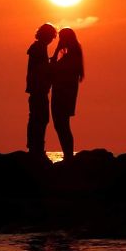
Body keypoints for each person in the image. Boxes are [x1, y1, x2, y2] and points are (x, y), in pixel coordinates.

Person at [50, 28, 84, 160]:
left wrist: (57, 50)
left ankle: (68, 156)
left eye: (61, 38)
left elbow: (54, 68)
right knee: (62, 125)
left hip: (62, 95)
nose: (60, 41)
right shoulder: (72, 55)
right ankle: (67, 155)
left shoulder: (71, 57)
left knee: (61, 125)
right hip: (64, 94)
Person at [26, 23, 57, 156]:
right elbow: (41, 70)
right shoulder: (39, 48)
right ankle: (36, 148)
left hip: (38, 89)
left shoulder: (38, 47)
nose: (51, 39)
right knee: (40, 118)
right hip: (38, 90)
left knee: (38, 118)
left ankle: (36, 146)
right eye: (51, 36)